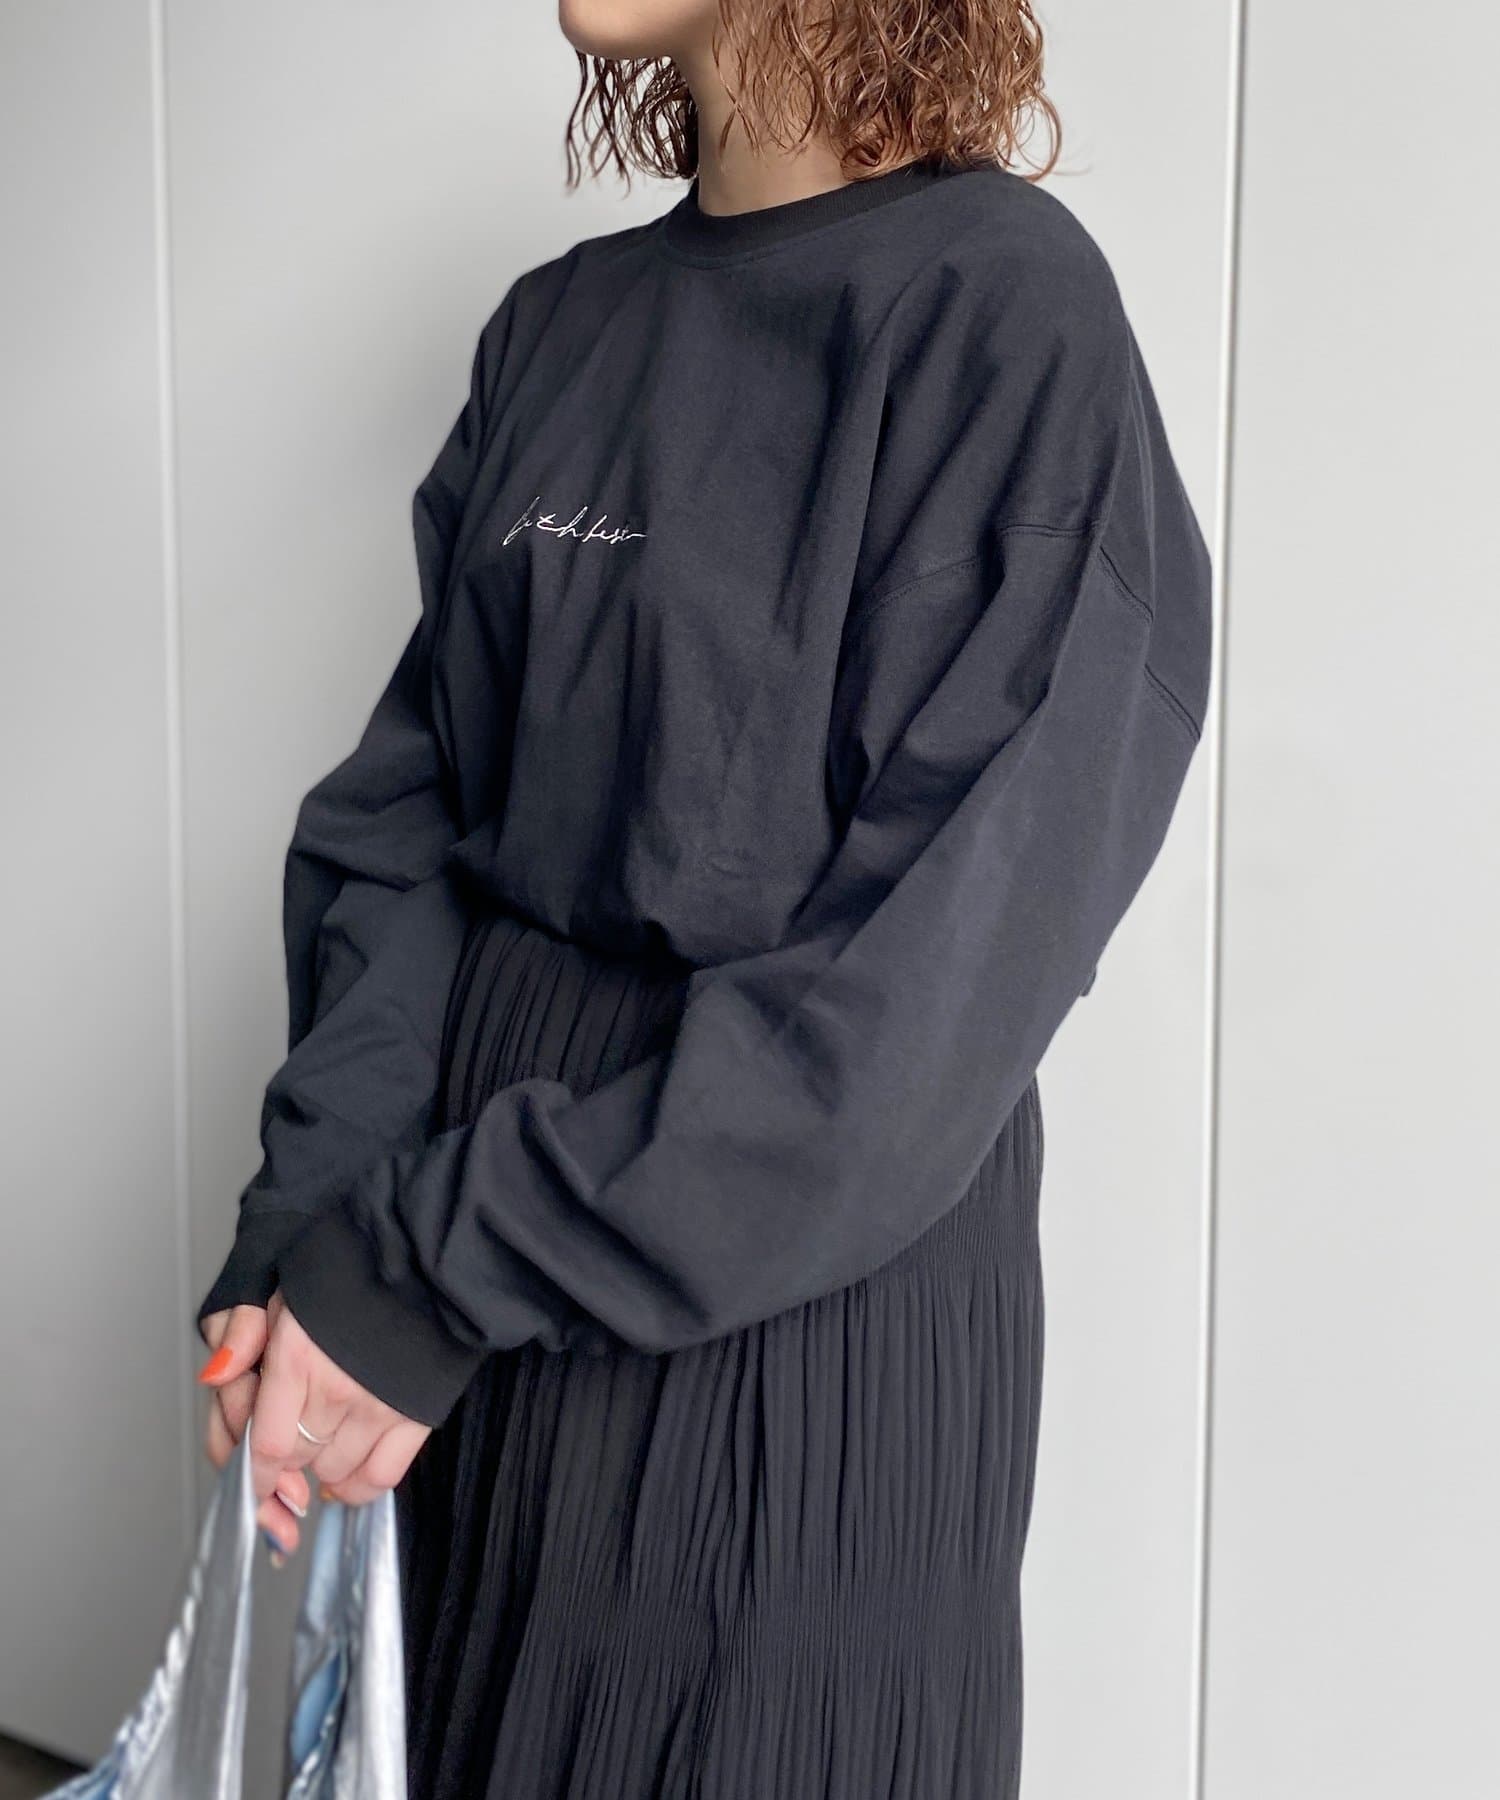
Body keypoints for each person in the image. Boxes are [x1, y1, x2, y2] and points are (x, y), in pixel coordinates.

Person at [195, 1, 1212, 1794]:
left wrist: (428, 1265)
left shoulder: (1005, 313)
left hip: (782, 1309)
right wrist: (320, 1230)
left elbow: (914, 1011)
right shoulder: (557, 325)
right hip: (466, 1281)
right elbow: (408, 830)